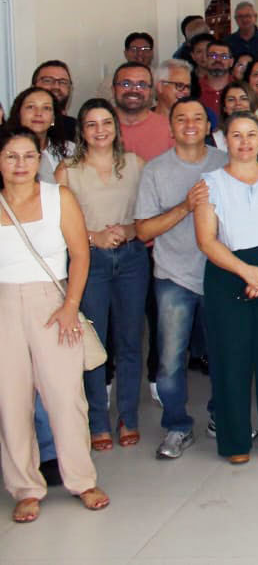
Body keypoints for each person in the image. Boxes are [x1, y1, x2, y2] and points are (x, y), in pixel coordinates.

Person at [0, 127, 109, 522]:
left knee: (66, 399)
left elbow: (80, 255)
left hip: (54, 303)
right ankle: (26, 488)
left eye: (28, 156)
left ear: (38, 158)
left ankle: (82, 480)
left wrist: (70, 305)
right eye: (11, 156)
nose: (20, 164)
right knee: (11, 403)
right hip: (4, 306)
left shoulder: (58, 196)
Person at [194, 112, 258, 463]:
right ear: (225, 140)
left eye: (251, 134)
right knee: (230, 359)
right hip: (227, 272)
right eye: (236, 135)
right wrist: (246, 272)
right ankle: (234, 441)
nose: (244, 142)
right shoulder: (209, 183)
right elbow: (207, 240)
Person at [134, 98, 226, 459]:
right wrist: (186, 206)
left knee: (225, 354)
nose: (190, 124)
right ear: (170, 128)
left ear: (208, 127)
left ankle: (223, 416)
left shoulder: (224, 164)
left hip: (220, 274)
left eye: (198, 118)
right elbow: (143, 230)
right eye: (181, 119)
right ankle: (176, 426)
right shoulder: (155, 171)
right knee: (171, 360)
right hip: (174, 276)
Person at [55, 99, 149, 450]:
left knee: (128, 341)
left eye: (106, 123)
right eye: (92, 124)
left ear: (116, 127)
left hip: (131, 260)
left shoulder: (136, 165)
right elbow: (59, 222)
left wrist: (126, 230)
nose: (100, 130)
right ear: (82, 130)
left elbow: (145, 217)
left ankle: (128, 416)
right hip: (88, 262)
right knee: (94, 342)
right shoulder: (68, 171)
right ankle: (98, 421)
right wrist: (93, 236)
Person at [5, 88, 73, 179]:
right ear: (18, 114)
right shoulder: (4, 149)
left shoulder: (71, 150)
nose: (38, 113)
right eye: (31, 107)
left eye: (46, 108)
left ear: (53, 118)